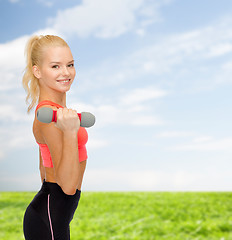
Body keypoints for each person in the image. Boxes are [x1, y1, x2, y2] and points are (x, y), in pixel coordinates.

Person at [22, 35, 88, 240]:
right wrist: (69, 132)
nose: (66, 72)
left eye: (70, 64)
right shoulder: (48, 116)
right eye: (55, 66)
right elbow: (67, 187)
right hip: (49, 218)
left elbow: (43, 167)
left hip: (53, 216)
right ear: (37, 71)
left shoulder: (57, 113)